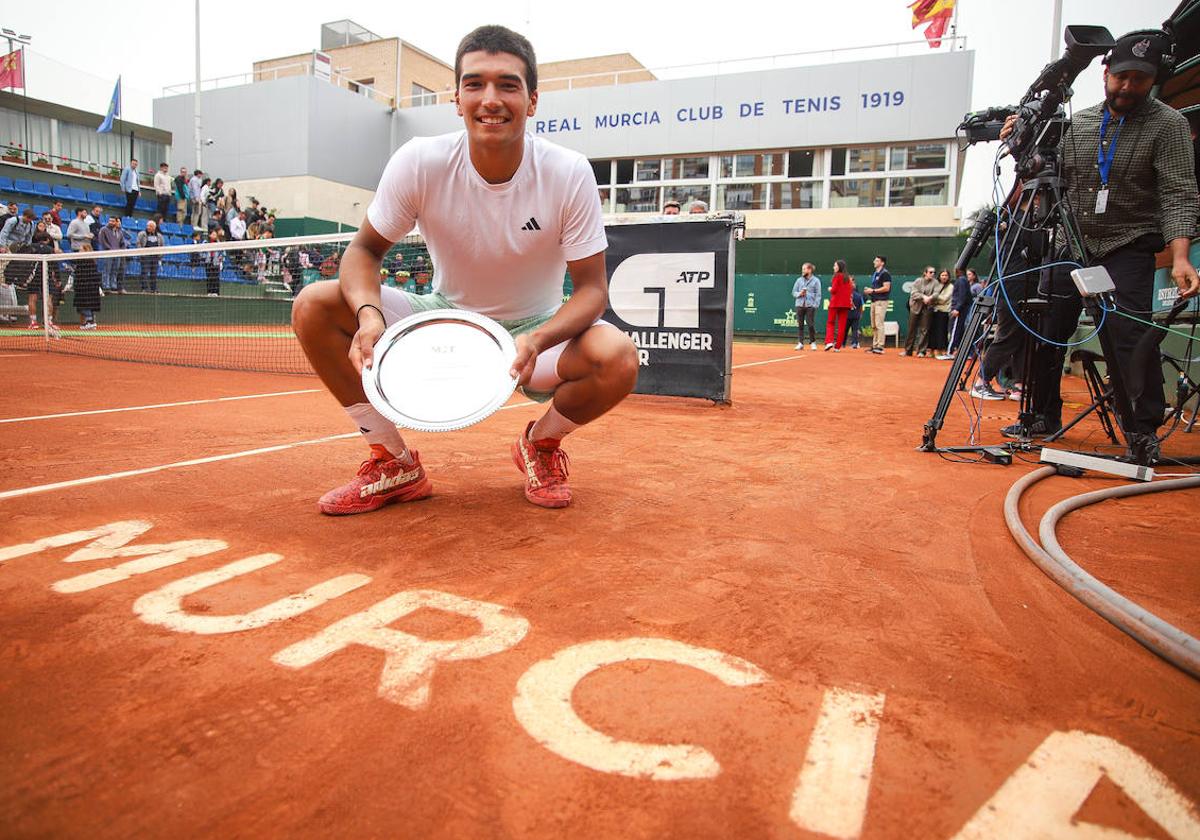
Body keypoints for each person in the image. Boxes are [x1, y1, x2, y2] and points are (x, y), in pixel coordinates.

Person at [292, 24, 638, 515]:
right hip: (442, 318)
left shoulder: (568, 171)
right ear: (456, 98)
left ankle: (538, 445)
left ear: (532, 101)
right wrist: (369, 315)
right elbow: (363, 252)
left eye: (508, 84)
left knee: (618, 356)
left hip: (535, 334)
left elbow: (590, 291)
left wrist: (537, 340)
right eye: (474, 84)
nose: (490, 98)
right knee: (313, 305)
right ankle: (393, 462)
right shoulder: (419, 161)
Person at [998, 31, 1199, 454]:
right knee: (1046, 327)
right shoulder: (1079, 122)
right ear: (1104, 73)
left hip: (1130, 244)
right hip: (1073, 244)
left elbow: (1179, 192)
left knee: (1130, 336)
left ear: (1153, 79)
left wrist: (1180, 256)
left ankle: (1142, 430)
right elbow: (1041, 175)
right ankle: (1040, 414)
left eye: (1138, 80)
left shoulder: (1169, 126)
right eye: (1121, 76)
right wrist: (1022, 139)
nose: (1127, 87)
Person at [903, 266, 937, 357]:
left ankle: (921, 351)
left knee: (924, 330)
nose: (932, 274)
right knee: (911, 329)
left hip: (927, 308)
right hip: (915, 307)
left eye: (934, 272)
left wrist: (929, 298)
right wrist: (923, 297)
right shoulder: (918, 281)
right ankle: (908, 350)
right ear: (925, 273)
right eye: (930, 272)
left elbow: (936, 293)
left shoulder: (935, 282)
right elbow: (914, 293)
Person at [862, 255, 892, 354]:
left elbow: (886, 287)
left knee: (879, 324)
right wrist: (869, 291)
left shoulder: (885, 273)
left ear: (882, 263)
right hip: (874, 301)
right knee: (874, 324)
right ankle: (874, 345)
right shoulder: (875, 273)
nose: (874, 262)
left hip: (881, 301)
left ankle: (880, 346)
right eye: (874, 260)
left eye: (877, 260)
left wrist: (873, 290)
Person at [942, 268, 974, 359]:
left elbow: (962, 296)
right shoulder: (962, 280)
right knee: (958, 331)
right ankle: (962, 352)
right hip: (961, 309)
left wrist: (957, 309)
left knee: (955, 330)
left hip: (959, 311)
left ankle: (950, 352)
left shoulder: (961, 281)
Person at [791, 262, 820, 350]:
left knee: (810, 325)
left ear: (810, 270)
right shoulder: (799, 280)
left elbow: (818, 295)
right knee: (800, 325)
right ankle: (800, 343)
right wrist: (800, 293)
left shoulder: (816, 281)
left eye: (804, 269)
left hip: (810, 306)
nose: (802, 271)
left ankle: (813, 342)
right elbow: (793, 292)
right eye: (802, 269)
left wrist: (815, 305)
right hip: (799, 305)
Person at [825, 259, 853, 351]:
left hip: (835, 303)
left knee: (830, 322)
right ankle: (837, 347)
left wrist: (829, 288)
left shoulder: (837, 276)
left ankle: (829, 341)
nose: (834, 267)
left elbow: (834, 290)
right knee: (842, 325)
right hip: (845, 304)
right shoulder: (848, 278)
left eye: (835, 265)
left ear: (839, 267)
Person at [73, 242, 101, 329]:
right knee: (85, 306)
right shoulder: (85, 262)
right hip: (85, 288)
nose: (79, 252)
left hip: (86, 289)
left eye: (81, 250)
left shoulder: (86, 262)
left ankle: (90, 321)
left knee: (86, 305)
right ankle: (90, 322)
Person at [928, 268, 954, 357]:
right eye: (942, 275)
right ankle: (931, 350)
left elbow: (944, 299)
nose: (944, 277)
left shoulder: (951, 287)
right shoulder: (936, 285)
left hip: (944, 311)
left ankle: (942, 350)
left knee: (942, 331)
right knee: (932, 331)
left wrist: (933, 298)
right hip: (934, 311)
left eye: (946, 275)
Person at [96, 216, 126, 292]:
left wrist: (121, 250)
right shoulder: (104, 230)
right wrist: (109, 249)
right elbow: (102, 241)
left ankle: (113, 285)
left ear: (116, 222)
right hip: (108, 253)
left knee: (115, 270)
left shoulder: (120, 232)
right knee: (107, 269)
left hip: (117, 254)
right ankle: (106, 285)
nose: (111, 222)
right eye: (110, 221)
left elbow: (122, 243)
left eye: (113, 221)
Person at [137, 219, 164, 293]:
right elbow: (138, 243)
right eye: (148, 226)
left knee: (154, 273)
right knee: (144, 273)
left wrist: (160, 255)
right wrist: (142, 253)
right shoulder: (142, 234)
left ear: (154, 227)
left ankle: (154, 288)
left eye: (150, 226)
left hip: (155, 257)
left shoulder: (159, 236)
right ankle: (144, 288)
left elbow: (162, 246)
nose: (148, 227)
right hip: (145, 257)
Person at [845, 280, 865, 350]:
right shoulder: (859, 296)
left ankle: (842, 343)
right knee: (855, 330)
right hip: (856, 315)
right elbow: (862, 307)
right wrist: (860, 314)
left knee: (845, 330)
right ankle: (854, 343)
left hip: (847, 316)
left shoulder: (845, 294)